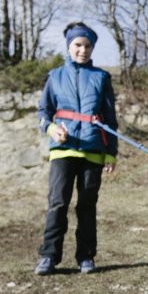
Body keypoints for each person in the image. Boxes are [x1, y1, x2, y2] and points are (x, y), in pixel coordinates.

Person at [34, 21, 118, 275]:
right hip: (63, 150)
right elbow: (43, 112)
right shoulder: (55, 76)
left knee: (87, 206)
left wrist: (111, 153)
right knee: (58, 203)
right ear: (69, 46)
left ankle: (86, 257)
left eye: (88, 45)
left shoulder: (102, 78)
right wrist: (51, 129)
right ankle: (49, 256)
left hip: (93, 150)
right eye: (78, 45)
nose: (83, 50)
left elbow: (110, 119)